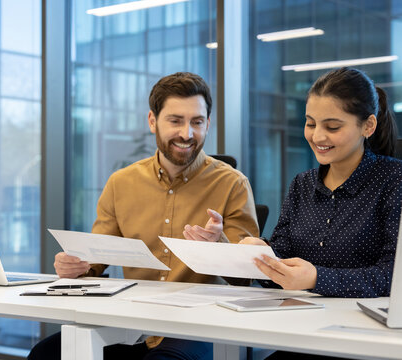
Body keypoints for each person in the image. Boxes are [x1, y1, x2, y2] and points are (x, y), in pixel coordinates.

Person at [28, 72, 259, 360]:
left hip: (200, 325)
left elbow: (247, 279)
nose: (187, 133)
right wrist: (74, 267)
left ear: (208, 124)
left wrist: (220, 245)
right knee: (45, 355)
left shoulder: (232, 184)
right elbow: (94, 263)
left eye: (197, 122)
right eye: (175, 121)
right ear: (152, 121)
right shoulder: (121, 183)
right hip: (132, 320)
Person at [242, 67, 402, 359]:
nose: (317, 136)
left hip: (369, 339)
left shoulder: (399, 180)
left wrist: (317, 279)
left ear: (367, 126)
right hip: (303, 332)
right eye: (310, 123)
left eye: (332, 126)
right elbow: (281, 262)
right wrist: (260, 256)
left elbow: (400, 275)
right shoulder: (302, 184)